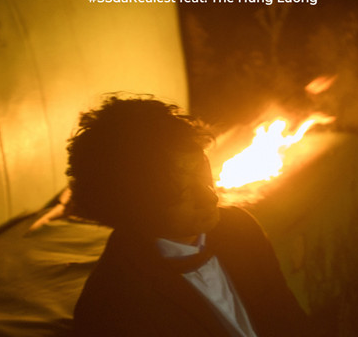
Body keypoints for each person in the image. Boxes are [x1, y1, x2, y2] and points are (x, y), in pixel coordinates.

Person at [66, 95, 309, 337]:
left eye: (202, 170)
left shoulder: (239, 228)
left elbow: (289, 318)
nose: (209, 196)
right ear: (130, 205)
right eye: (180, 190)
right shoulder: (112, 308)